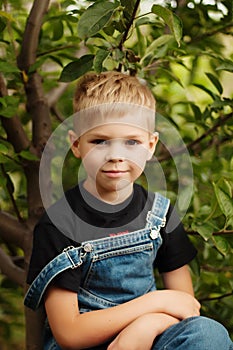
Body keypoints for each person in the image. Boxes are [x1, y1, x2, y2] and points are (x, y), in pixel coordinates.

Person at [25, 71, 233, 350]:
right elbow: (69, 333)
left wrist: (146, 327)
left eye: (132, 142)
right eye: (99, 141)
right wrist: (154, 302)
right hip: (87, 343)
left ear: (150, 145)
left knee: (208, 334)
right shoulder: (60, 225)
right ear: (76, 145)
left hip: (153, 334)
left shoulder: (160, 215)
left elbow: (185, 307)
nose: (116, 156)